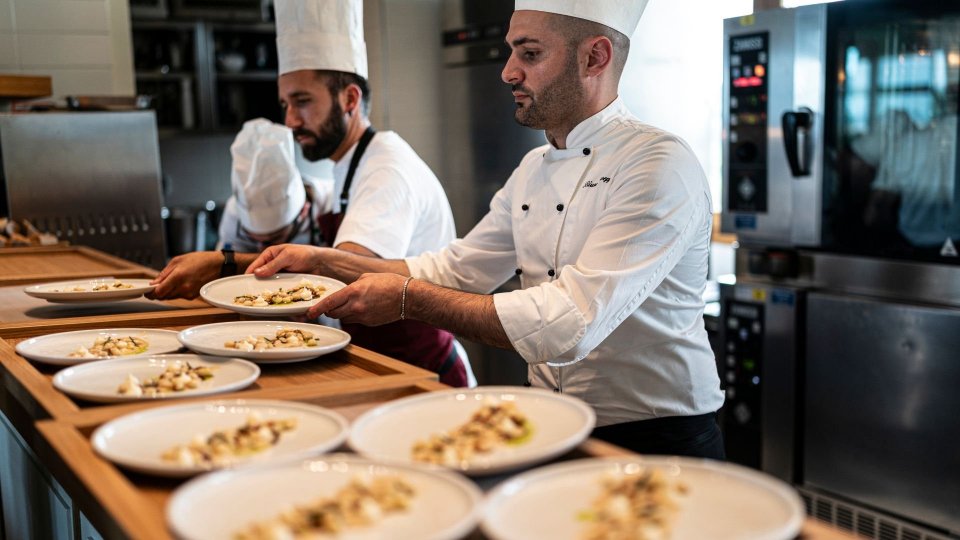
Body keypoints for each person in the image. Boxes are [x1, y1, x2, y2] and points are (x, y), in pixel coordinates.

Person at [247, 0, 725, 458]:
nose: (508, 71)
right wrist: (322, 260)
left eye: (530, 53)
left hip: (660, 438)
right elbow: (454, 268)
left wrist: (409, 299)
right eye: (512, 51)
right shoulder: (534, 167)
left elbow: (569, 323)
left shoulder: (657, 165)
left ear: (594, 57)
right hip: (554, 423)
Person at [150, 0, 473, 387]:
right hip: (377, 366)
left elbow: (343, 270)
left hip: (424, 377)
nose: (290, 120)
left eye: (303, 102)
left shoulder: (387, 168)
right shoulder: (349, 164)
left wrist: (224, 263)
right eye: (286, 104)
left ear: (349, 99)